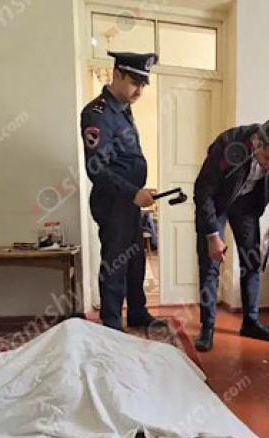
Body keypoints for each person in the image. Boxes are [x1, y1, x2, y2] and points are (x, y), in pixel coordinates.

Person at [193, 118, 269, 352]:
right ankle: (207, 327)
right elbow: (203, 192)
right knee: (210, 266)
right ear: (257, 142)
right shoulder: (228, 145)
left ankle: (250, 322)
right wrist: (212, 235)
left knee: (252, 263)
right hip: (216, 204)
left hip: (247, 206)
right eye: (268, 158)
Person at [80, 51, 164, 332]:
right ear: (117, 74)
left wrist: (137, 191)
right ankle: (112, 323)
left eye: (143, 84)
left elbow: (124, 160)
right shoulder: (98, 113)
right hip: (114, 201)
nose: (139, 90)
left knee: (135, 258)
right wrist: (132, 192)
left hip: (129, 201)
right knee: (116, 261)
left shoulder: (123, 108)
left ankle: (137, 312)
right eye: (135, 82)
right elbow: (96, 168)